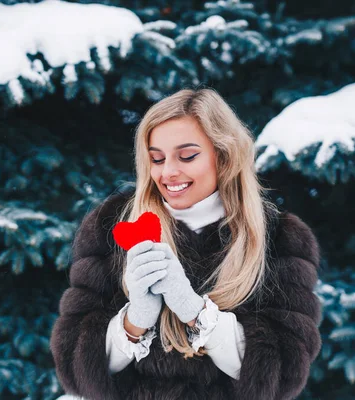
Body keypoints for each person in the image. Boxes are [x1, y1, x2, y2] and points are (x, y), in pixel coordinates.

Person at [50, 88, 322, 399]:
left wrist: (195, 312)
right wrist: (135, 320)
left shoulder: (279, 238)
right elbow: (74, 368)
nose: (168, 173)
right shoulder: (111, 224)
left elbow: (282, 377)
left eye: (187, 156)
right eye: (157, 158)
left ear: (223, 156)